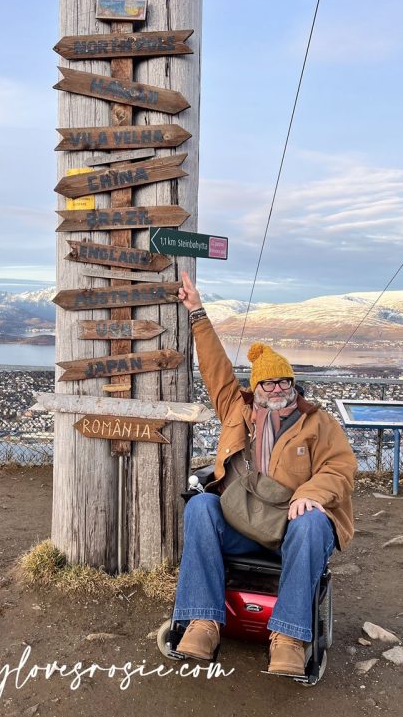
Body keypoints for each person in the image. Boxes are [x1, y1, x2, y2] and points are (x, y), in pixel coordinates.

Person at [173, 272, 357, 675]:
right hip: (243, 523)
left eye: (283, 381)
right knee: (202, 506)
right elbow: (215, 369)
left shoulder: (318, 423)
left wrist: (313, 492)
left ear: (293, 384)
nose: (276, 389)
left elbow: (341, 467)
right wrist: (197, 312)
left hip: (291, 530)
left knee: (312, 523)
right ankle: (203, 622)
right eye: (267, 383)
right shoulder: (235, 409)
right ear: (254, 387)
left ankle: (289, 637)